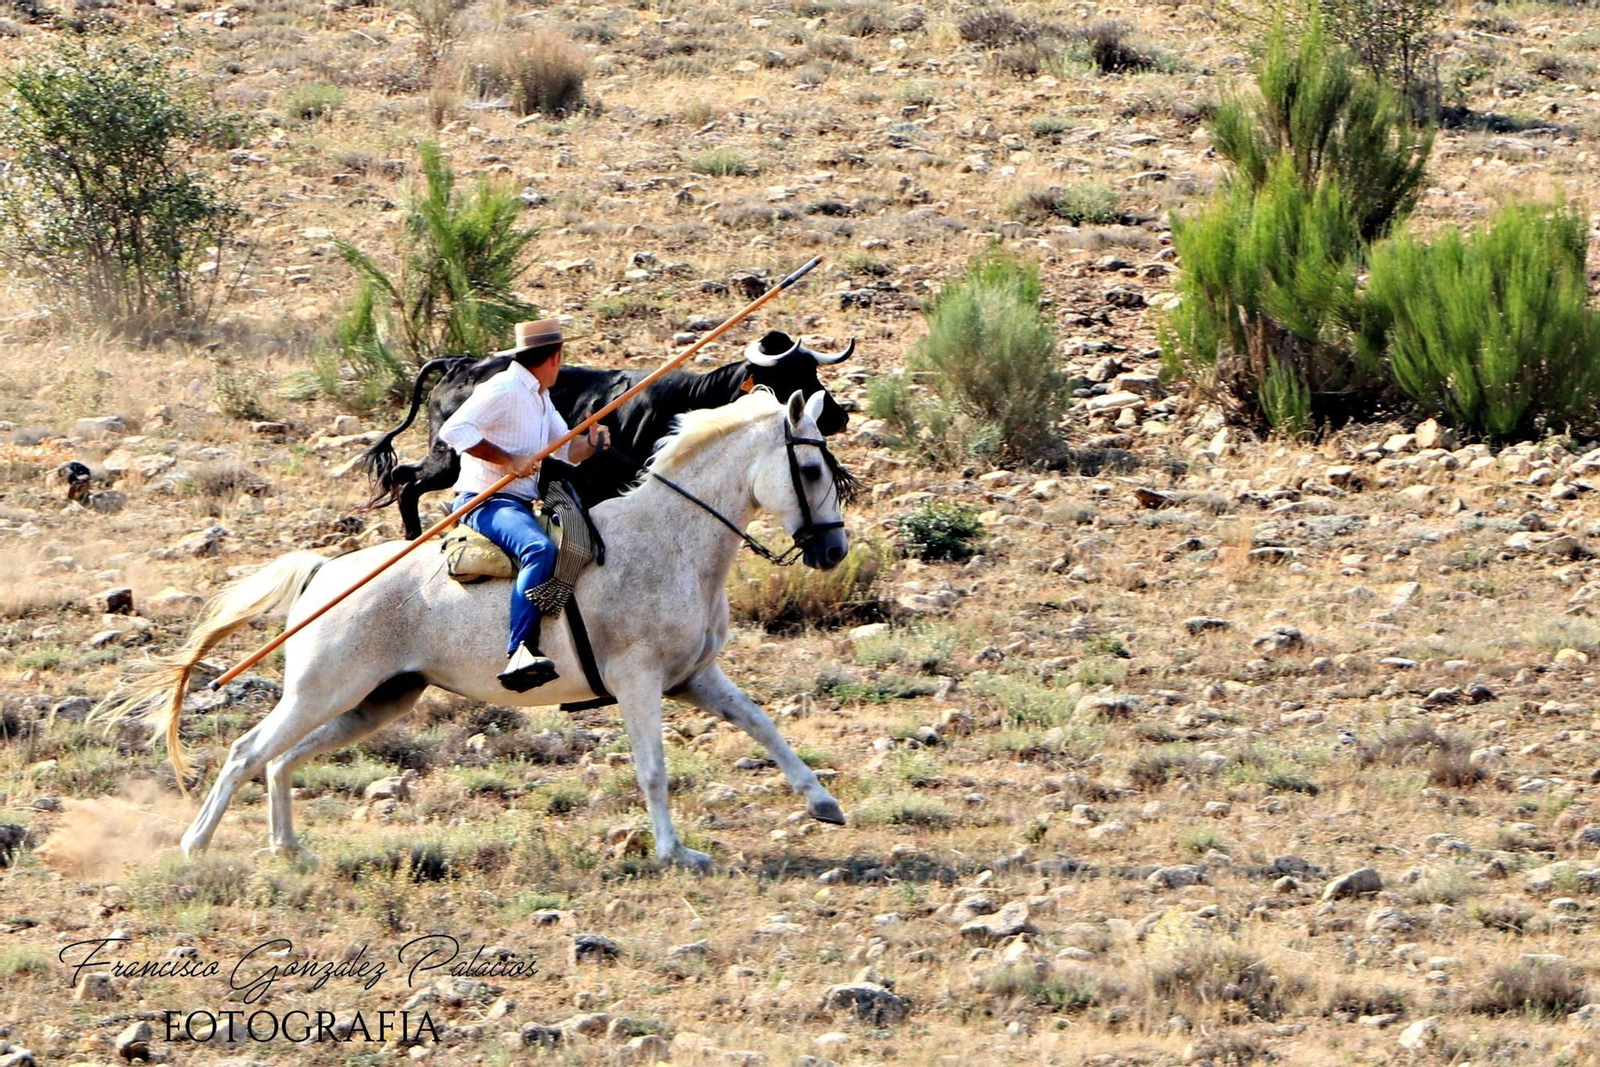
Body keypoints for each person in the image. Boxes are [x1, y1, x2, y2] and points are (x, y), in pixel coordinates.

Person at [438, 319, 610, 692]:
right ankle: (520, 650)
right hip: (484, 500)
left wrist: (592, 444)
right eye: (562, 359)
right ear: (554, 357)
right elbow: (454, 430)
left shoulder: (539, 396)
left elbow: (566, 450)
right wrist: (508, 460)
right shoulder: (504, 387)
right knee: (537, 548)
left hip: (517, 502)